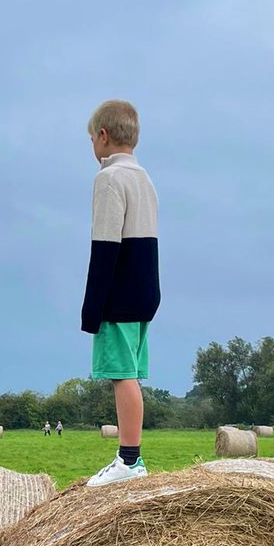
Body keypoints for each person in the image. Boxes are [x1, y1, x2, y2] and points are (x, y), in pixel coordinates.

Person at [82, 99, 161, 487]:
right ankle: (132, 456)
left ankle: (129, 459)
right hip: (145, 291)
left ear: (102, 135)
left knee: (122, 375)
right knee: (129, 374)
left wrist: (92, 307)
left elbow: (105, 247)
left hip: (120, 293)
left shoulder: (109, 179)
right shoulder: (144, 178)